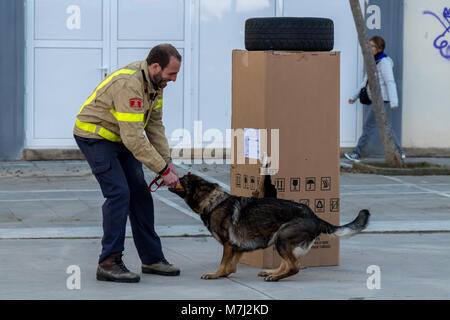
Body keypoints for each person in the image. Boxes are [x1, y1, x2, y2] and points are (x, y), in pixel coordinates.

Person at [73, 44, 181, 283]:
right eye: (171, 74)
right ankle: (109, 262)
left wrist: (168, 163)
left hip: (120, 137)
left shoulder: (155, 85)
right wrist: (162, 170)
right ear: (155, 67)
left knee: (140, 193)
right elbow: (134, 138)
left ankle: (152, 259)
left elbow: (154, 126)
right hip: (96, 137)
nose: (173, 79)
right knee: (119, 194)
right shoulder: (130, 84)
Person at [345, 35, 405, 162]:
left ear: (379, 48)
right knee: (386, 127)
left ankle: (357, 154)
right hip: (377, 100)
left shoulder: (384, 63)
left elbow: (390, 82)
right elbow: (366, 82)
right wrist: (354, 97)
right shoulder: (373, 61)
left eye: (373, 46)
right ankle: (399, 153)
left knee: (368, 127)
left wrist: (394, 102)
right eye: (369, 45)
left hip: (381, 100)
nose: (370, 48)